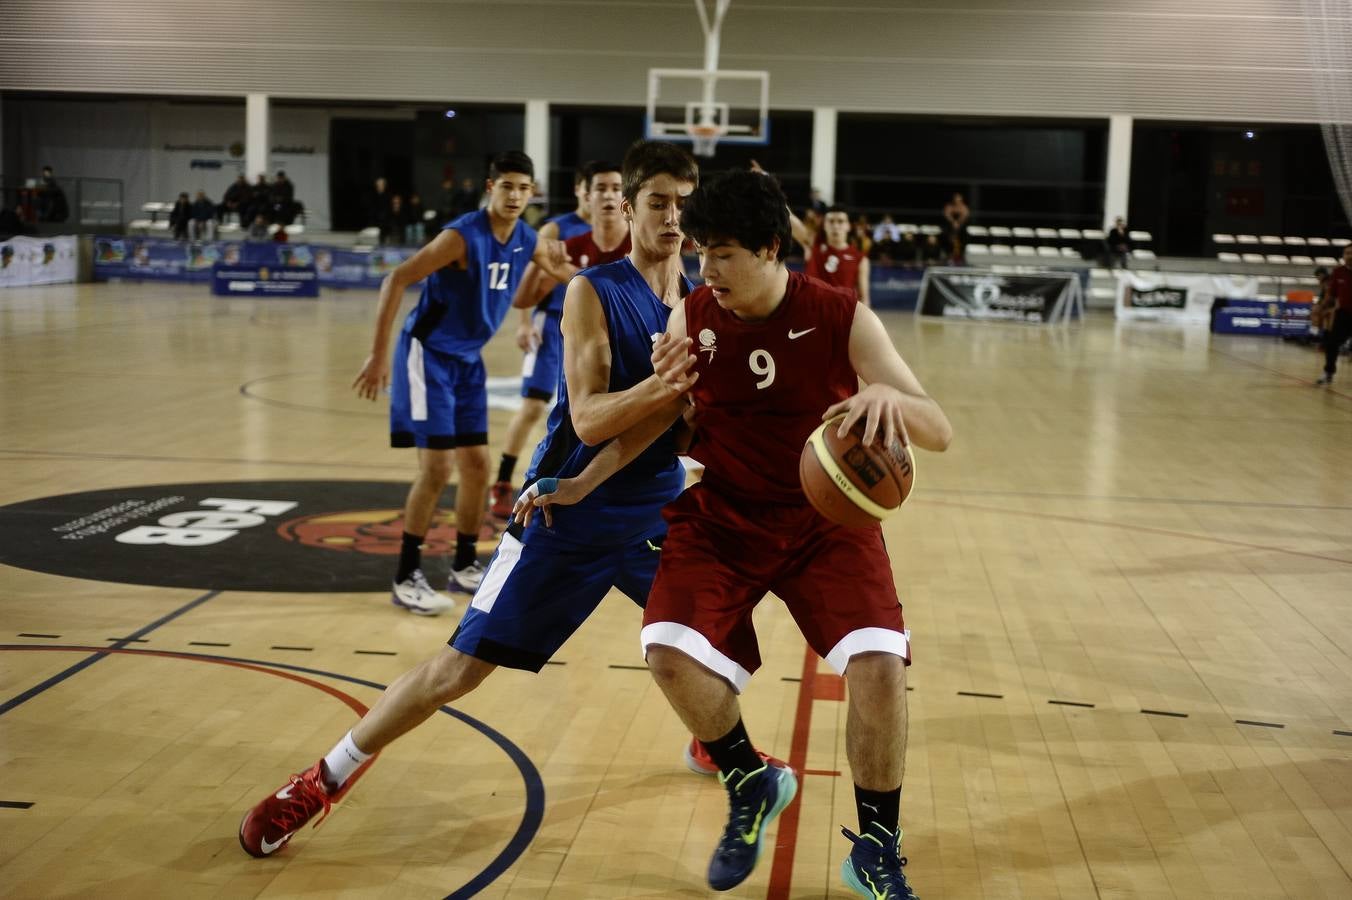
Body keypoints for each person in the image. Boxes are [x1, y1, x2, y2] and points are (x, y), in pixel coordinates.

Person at [238, 140, 717, 858]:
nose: (674, 218)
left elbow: (681, 424)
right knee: (458, 669)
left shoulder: (706, 301)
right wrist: (666, 391)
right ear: (627, 204)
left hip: (652, 512)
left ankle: (722, 747)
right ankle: (323, 777)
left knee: (704, 639)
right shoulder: (595, 289)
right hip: (566, 516)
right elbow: (589, 420)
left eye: (685, 204)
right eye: (658, 202)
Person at [534, 169, 952, 896]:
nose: (705, 269)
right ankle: (748, 780)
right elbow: (665, 421)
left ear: (768, 249)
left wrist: (888, 394)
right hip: (725, 515)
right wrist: (580, 482)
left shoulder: (841, 316)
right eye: (699, 253)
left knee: (881, 668)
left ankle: (877, 846)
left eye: (721, 254)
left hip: (826, 524)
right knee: (665, 651)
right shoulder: (692, 317)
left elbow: (938, 429)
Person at [348, 150, 570, 615]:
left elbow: (568, 275)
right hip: (427, 355)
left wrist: (618, 288)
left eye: (522, 188)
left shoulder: (527, 238)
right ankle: (406, 574)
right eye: (506, 186)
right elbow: (396, 280)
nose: (514, 195)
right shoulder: (462, 236)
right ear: (490, 188)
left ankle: (465, 564)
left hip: (468, 362)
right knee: (437, 469)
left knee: (476, 466)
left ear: (532, 193)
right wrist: (377, 355)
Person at [489, 162, 604, 518]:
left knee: (588, 410)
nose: (601, 196)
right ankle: (503, 483)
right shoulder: (558, 227)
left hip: (590, 331)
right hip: (551, 321)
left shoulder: (619, 231)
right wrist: (525, 323)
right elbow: (530, 275)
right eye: (594, 188)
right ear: (581, 190)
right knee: (533, 406)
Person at [789, 203, 870, 305]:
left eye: (840, 221)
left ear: (848, 226)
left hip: (841, 316)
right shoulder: (813, 245)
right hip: (812, 314)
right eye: (831, 221)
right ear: (824, 225)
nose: (835, 226)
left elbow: (864, 298)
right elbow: (789, 218)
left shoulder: (860, 258)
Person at [1316, 244, 1352, 386]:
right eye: (1347, 253)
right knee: (1331, 343)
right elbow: (1331, 295)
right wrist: (1321, 307)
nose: (1349, 256)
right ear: (1343, 256)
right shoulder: (1338, 272)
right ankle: (1328, 372)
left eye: (1351, 253)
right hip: (1343, 314)